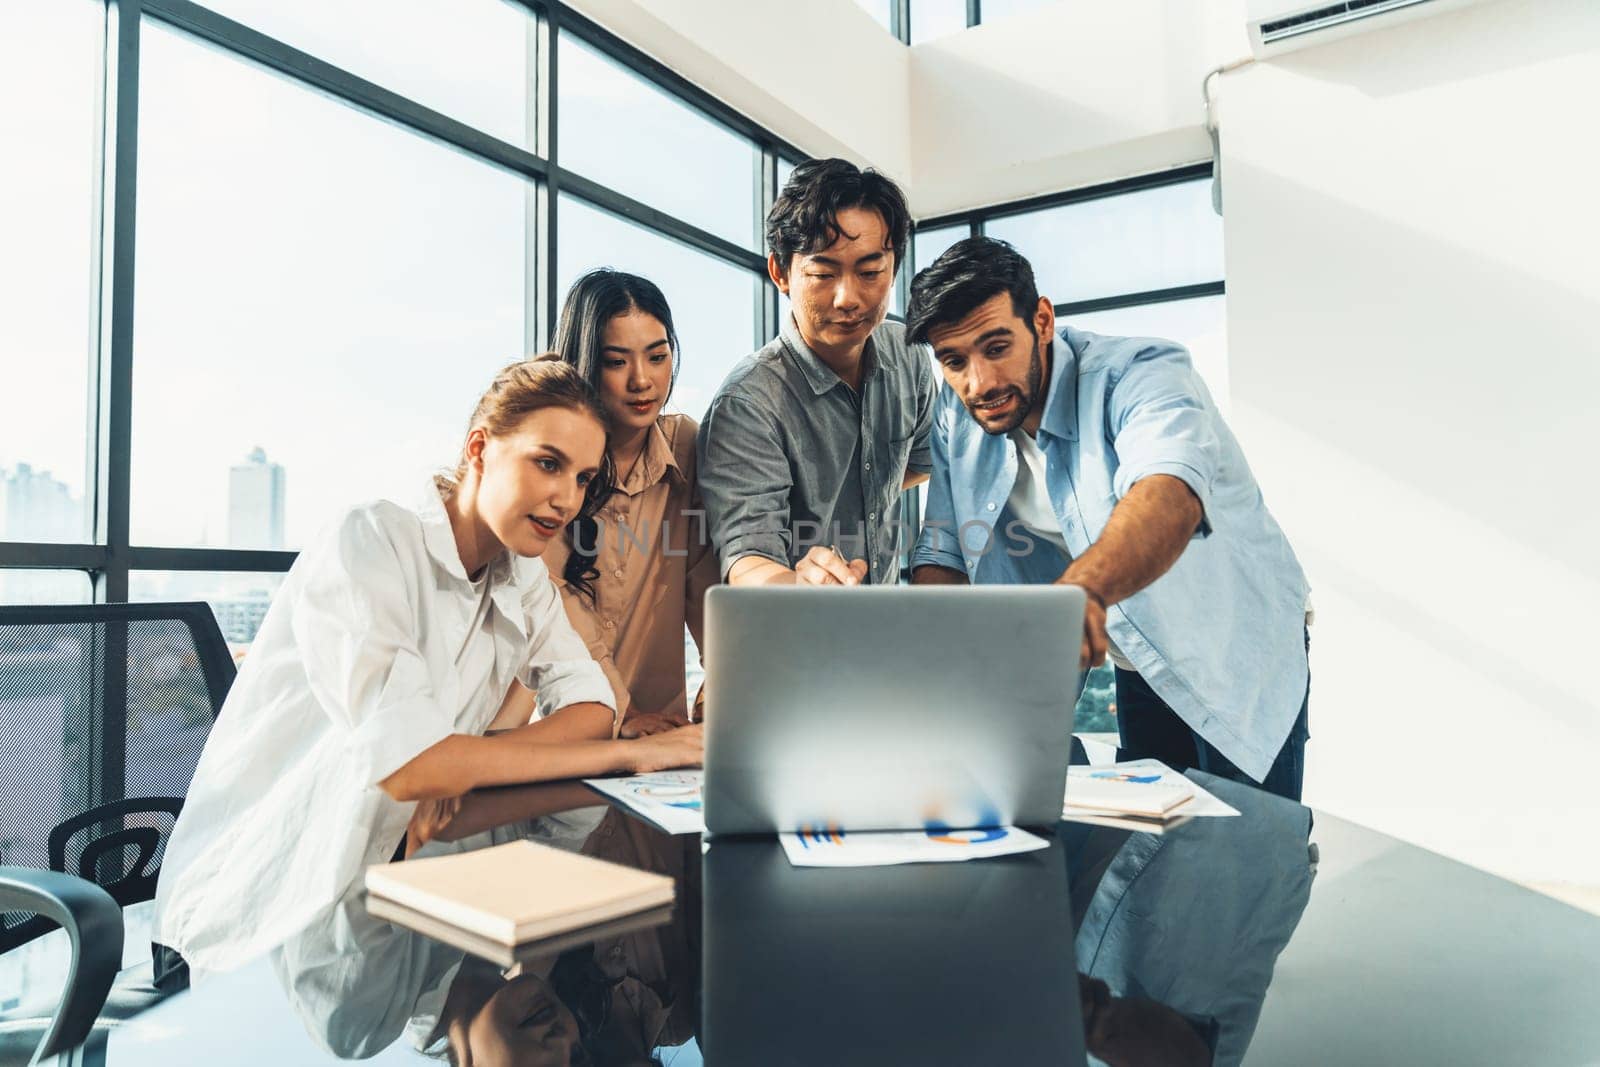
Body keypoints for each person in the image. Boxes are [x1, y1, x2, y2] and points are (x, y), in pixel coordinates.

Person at [152, 356, 704, 989]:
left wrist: (466, 760)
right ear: (480, 448)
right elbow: (416, 769)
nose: (566, 498)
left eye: (581, 478)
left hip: (398, 883)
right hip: (262, 914)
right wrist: (625, 758)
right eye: (546, 463)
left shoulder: (522, 576)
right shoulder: (368, 544)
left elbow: (594, 711)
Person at [907, 237, 1311, 800]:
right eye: (954, 361)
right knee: (1155, 844)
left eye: (996, 347)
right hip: (1134, 656)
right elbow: (945, 551)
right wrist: (922, 662)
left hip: (1230, 646)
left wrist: (1078, 594)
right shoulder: (958, 413)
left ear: (1042, 320)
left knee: (1250, 854)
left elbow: (1168, 493)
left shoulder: (1140, 374)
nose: (981, 383)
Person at [493, 270, 717, 740]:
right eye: (617, 362)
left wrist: (723, 681)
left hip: (664, 738)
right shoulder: (552, 467)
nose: (642, 381)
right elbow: (556, 600)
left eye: (658, 357)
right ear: (586, 364)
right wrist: (623, 712)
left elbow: (705, 579)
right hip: (555, 731)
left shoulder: (687, 447)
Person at [697, 158, 936, 587]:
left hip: (882, 627)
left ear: (894, 266)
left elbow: (919, 462)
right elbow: (747, 558)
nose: (848, 298)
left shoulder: (909, 356)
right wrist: (801, 588)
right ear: (780, 272)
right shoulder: (748, 403)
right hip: (793, 636)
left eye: (869, 272)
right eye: (823, 273)